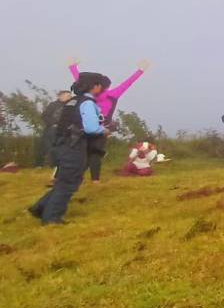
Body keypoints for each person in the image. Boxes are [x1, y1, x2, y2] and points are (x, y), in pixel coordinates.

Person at [30, 72, 109, 225]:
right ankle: (52, 218)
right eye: (102, 86)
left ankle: (40, 207)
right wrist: (104, 130)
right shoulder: (87, 103)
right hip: (74, 146)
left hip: (61, 144)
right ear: (95, 86)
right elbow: (91, 128)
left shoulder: (72, 101)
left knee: (64, 180)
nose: (103, 89)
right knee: (69, 183)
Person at [69, 59, 149, 182]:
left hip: (84, 127)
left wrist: (73, 67)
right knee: (95, 153)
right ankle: (95, 180)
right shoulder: (113, 94)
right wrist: (140, 71)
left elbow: (80, 80)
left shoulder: (89, 94)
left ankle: (72, 177)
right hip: (102, 128)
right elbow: (128, 83)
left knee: (82, 154)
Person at [38, 90, 71, 168]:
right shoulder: (53, 105)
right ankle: (41, 165)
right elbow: (45, 116)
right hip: (52, 130)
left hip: (64, 131)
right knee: (48, 147)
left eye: (70, 96)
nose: (69, 97)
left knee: (62, 148)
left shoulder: (70, 106)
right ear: (61, 96)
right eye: (68, 96)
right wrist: (54, 123)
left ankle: (58, 165)